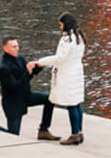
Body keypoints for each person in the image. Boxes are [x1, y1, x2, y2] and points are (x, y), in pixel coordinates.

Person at [0, 37, 59, 140]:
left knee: (49, 99)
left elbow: (28, 76)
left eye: (17, 46)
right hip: (13, 104)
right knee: (13, 135)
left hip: (26, 96)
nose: (17, 48)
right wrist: (27, 72)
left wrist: (38, 65)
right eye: (13, 47)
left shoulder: (19, 58)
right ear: (5, 48)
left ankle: (43, 130)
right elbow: (14, 87)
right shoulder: (3, 68)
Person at [33, 12, 86, 145]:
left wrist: (41, 62)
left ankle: (74, 135)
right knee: (77, 104)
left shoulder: (67, 39)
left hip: (67, 75)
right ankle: (79, 132)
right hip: (76, 73)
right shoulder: (79, 37)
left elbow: (60, 58)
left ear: (65, 24)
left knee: (71, 104)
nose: (59, 26)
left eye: (60, 24)